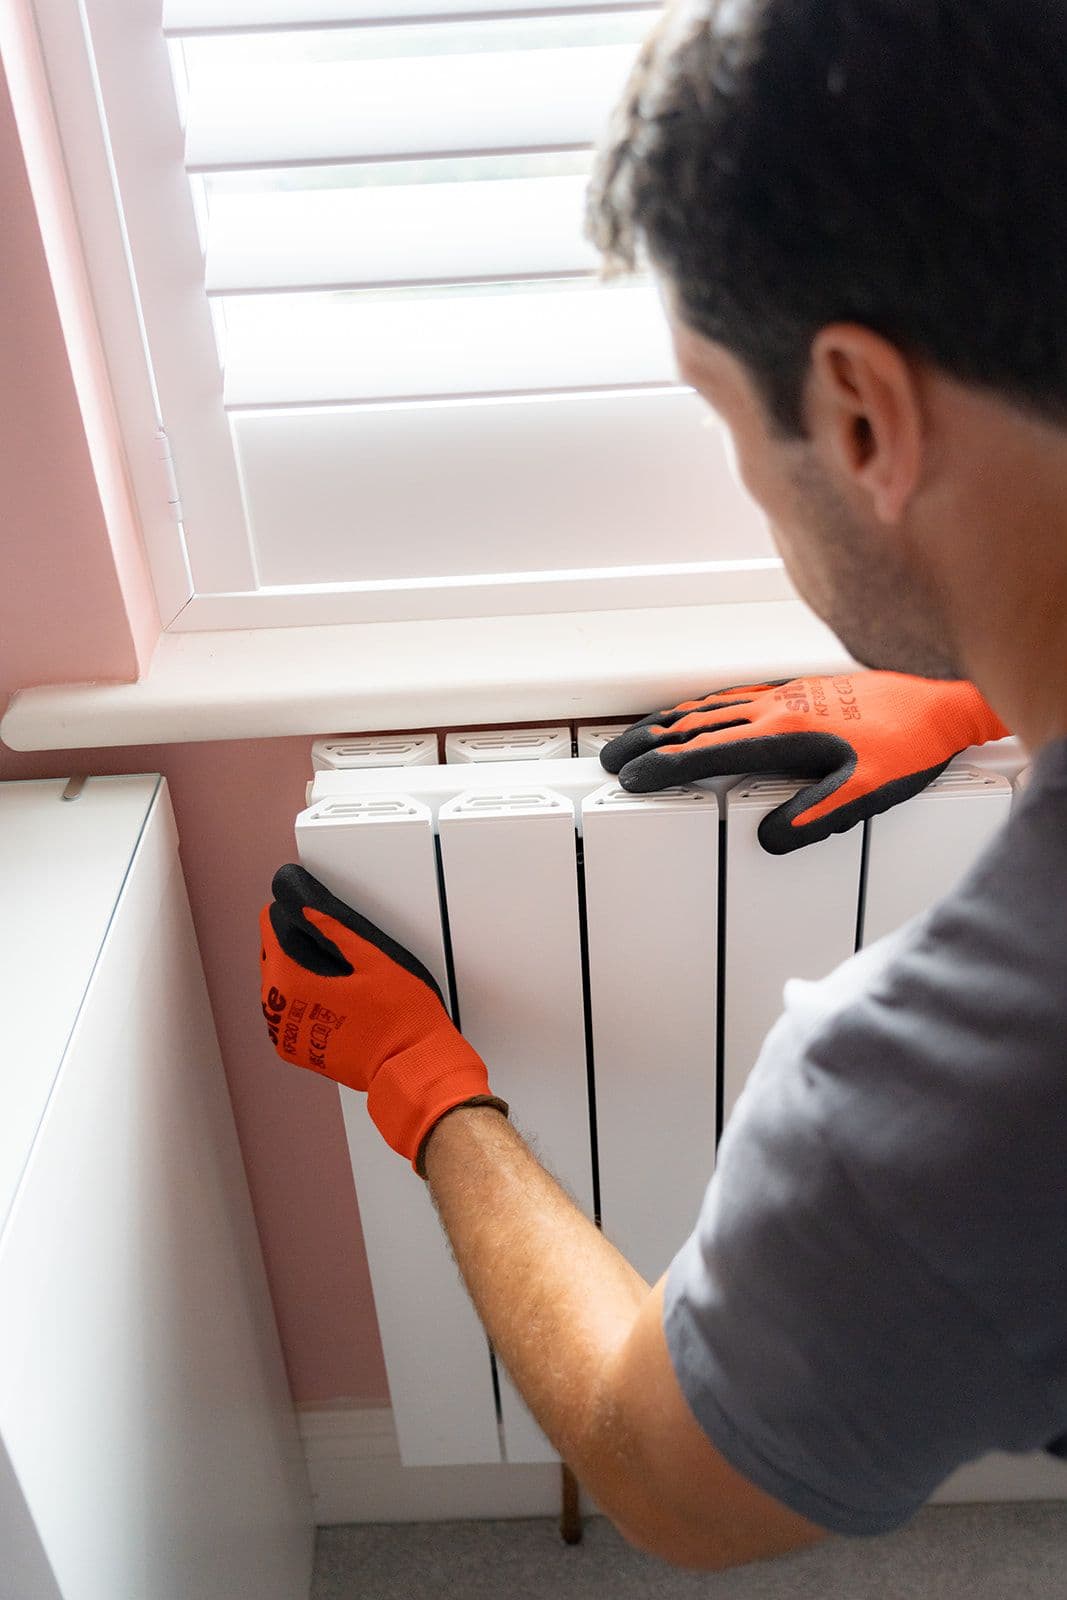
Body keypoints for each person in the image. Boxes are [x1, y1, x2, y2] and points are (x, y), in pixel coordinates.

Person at [260, 0, 1067, 1568]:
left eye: (725, 418)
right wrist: (990, 679)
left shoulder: (958, 1098)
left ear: (859, 415)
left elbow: (669, 1475)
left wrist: (420, 1082)